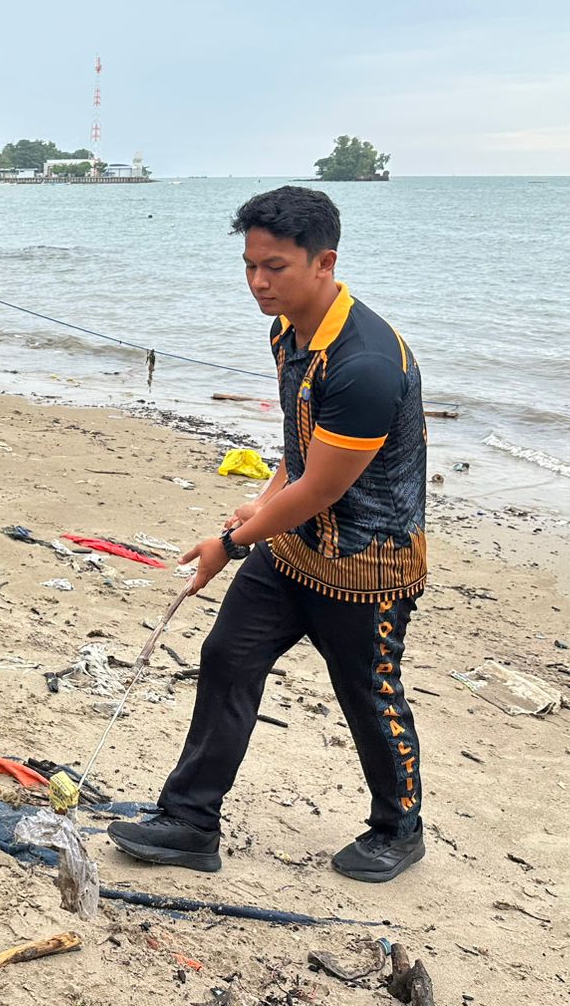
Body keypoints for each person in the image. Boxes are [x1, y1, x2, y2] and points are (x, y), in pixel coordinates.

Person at [107, 186, 429, 883]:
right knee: (227, 656)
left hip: (367, 563)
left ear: (324, 263)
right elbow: (297, 449)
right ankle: (191, 821)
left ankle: (400, 829)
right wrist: (253, 514)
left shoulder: (365, 363)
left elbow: (323, 487)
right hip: (295, 547)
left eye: (275, 267)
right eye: (250, 265)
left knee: (369, 695)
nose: (258, 282)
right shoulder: (289, 331)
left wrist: (233, 543)